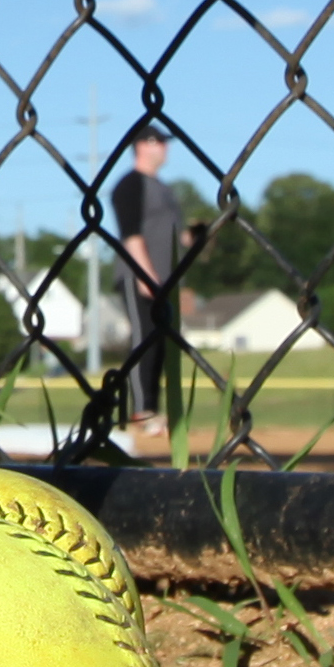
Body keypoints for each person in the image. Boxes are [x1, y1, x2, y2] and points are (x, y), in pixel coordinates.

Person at [108, 133, 191, 453]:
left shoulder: (166, 189)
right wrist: (146, 275)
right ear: (142, 146)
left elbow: (176, 236)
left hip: (167, 280)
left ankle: (153, 407)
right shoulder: (130, 184)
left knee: (162, 342)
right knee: (145, 338)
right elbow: (130, 233)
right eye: (160, 141)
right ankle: (143, 410)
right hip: (138, 274)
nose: (166, 148)